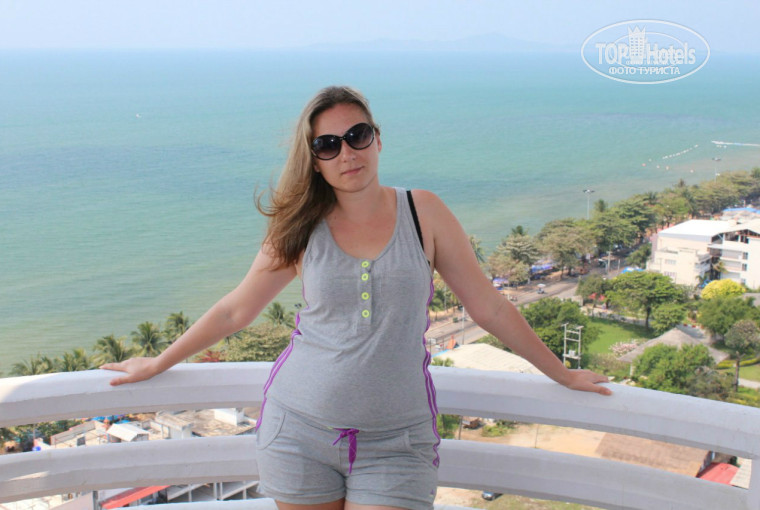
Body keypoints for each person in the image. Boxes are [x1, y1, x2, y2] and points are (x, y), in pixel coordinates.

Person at [102, 85, 612, 510]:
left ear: (377, 140)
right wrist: (159, 362)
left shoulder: (424, 212)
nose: (347, 153)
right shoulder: (300, 227)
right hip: (298, 430)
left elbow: (490, 306)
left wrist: (561, 373)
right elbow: (237, 309)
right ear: (314, 161)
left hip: (397, 441)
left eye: (357, 135)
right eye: (328, 145)